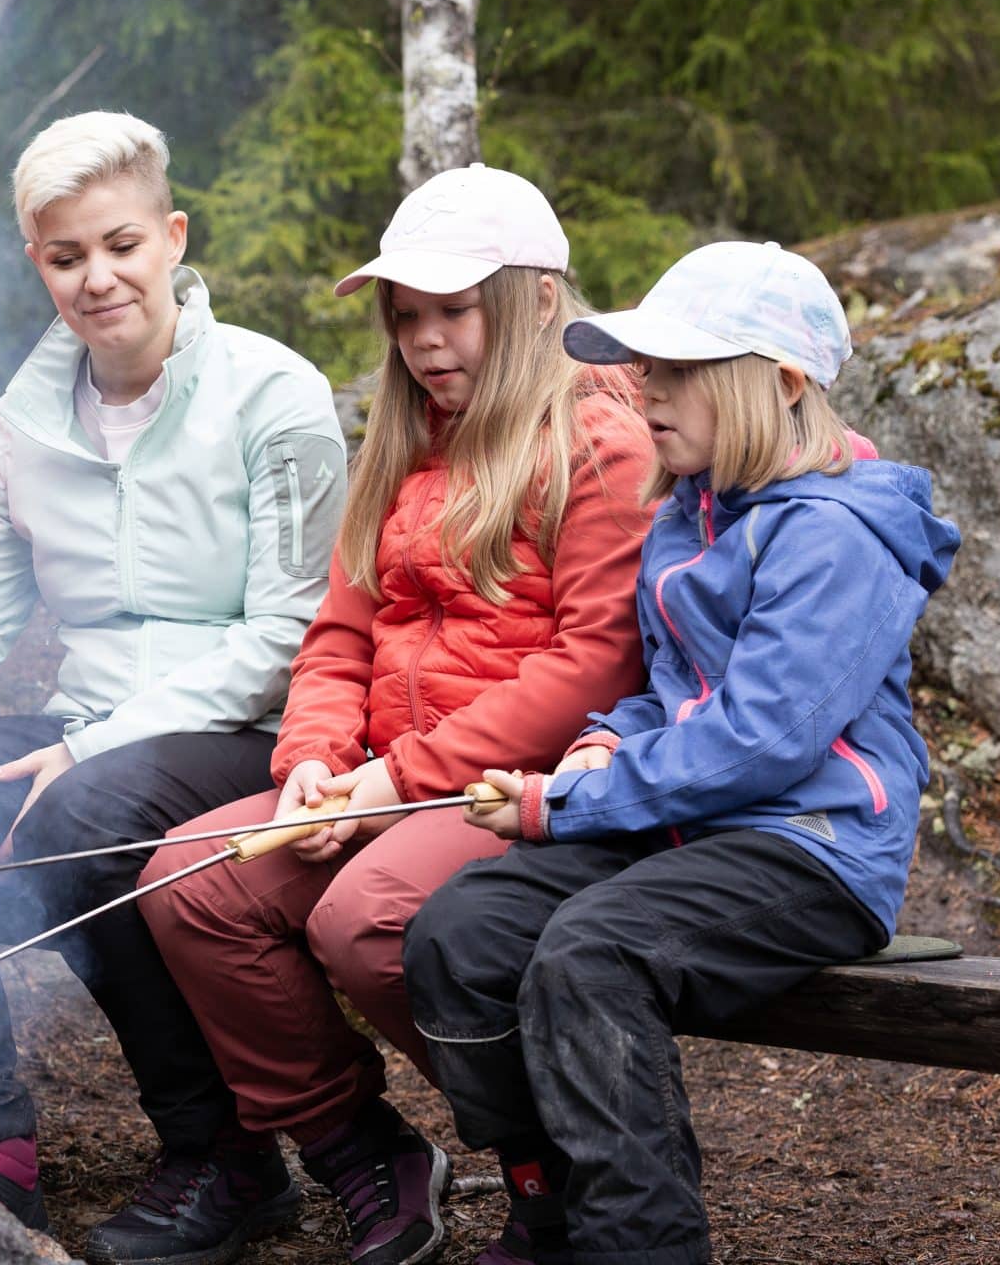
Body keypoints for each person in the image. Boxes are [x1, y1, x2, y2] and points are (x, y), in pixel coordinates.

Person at [0, 111, 347, 1248]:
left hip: (254, 732)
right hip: (85, 730)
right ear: (38, 264)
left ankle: (227, 1157)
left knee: (83, 813)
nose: (97, 278)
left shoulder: (274, 393)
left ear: (173, 237)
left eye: (121, 245)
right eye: (66, 257)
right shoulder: (24, 428)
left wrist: (93, 748)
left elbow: (290, 632)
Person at [136, 164, 656, 1265]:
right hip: (386, 776)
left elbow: (594, 665)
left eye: (453, 310)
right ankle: (359, 1147)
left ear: (537, 301)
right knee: (191, 883)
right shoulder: (403, 444)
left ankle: (554, 1167)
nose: (424, 340)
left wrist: (396, 782)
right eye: (405, 315)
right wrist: (313, 762)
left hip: (529, 786)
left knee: (368, 919)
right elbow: (339, 636)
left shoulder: (599, 443)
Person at [403, 241, 960, 1265]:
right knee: (463, 930)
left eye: (677, 370)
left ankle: (643, 1244)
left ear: (780, 385)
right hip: (693, 826)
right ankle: (552, 1210)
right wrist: (604, 742)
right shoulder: (689, 513)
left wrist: (563, 805)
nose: (646, 390)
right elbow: (672, 692)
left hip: (812, 848)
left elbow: (762, 739)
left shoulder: (835, 534)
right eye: (645, 366)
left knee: (592, 954)